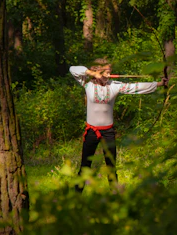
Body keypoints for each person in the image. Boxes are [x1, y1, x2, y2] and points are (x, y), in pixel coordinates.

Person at [69, 58, 168, 192]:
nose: (109, 75)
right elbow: (73, 69)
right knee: (85, 166)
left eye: (110, 72)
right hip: (91, 131)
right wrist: (92, 73)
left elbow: (135, 87)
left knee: (111, 166)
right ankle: (76, 196)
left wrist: (159, 84)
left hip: (108, 132)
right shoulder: (87, 83)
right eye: (106, 72)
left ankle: (115, 195)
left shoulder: (114, 85)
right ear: (98, 72)